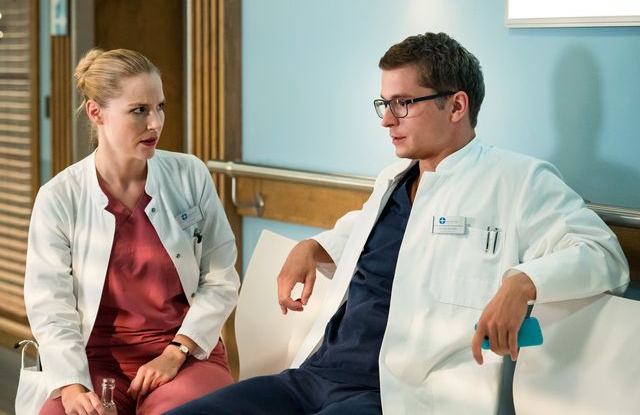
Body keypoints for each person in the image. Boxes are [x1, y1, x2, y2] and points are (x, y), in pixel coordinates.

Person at [169, 32, 629, 414]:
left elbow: (602, 252)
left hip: (395, 397)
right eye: (384, 103)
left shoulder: (517, 180)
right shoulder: (393, 179)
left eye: (404, 103)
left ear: (457, 106)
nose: (387, 120)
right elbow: (374, 234)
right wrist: (314, 247)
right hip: (312, 376)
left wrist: (522, 282)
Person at [23, 48, 240, 414]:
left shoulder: (189, 175)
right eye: (139, 110)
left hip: (185, 353)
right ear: (96, 113)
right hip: (93, 362)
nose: (155, 123)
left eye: (160, 107)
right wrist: (73, 387)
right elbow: (50, 305)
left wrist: (177, 351)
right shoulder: (59, 197)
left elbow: (221, 278)